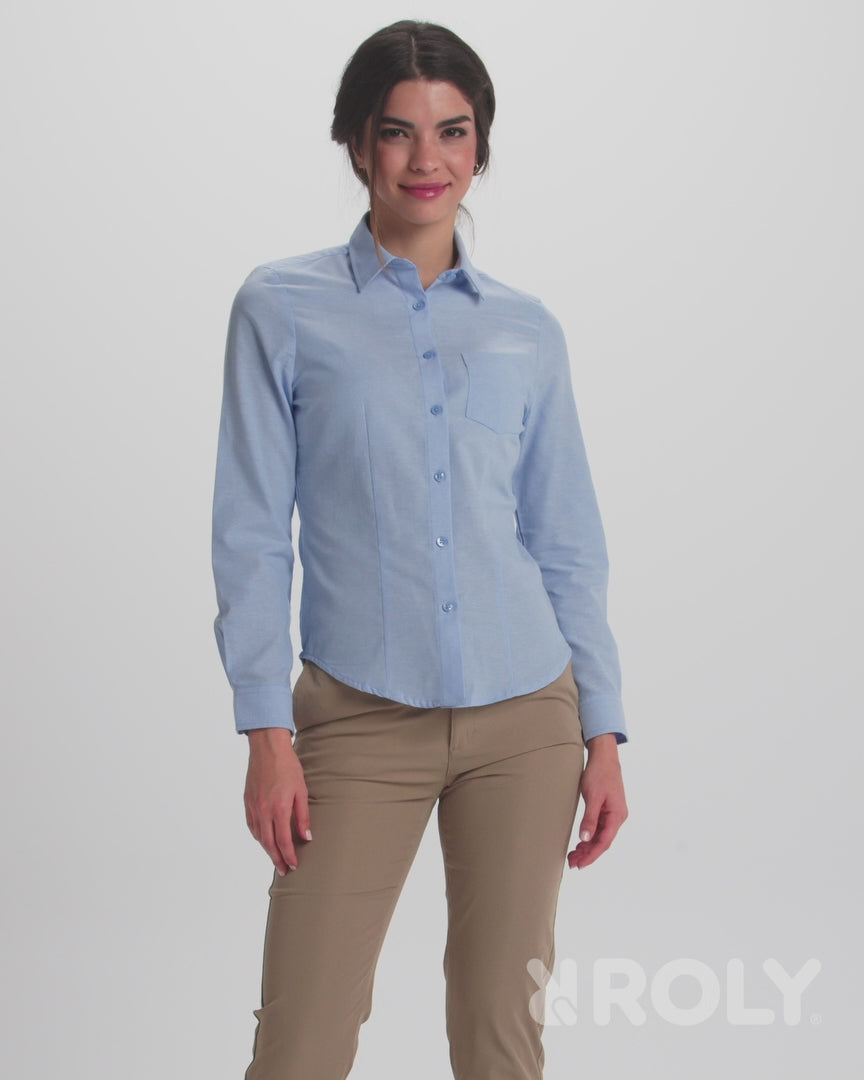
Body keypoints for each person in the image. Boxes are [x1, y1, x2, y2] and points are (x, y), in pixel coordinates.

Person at [211, 19, 629, 1080]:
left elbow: (565, 540)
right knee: (302, 1041)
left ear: (480, 146)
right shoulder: (281, 308)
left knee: (501, 1036)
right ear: (356, 144)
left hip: (528, 714)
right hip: (358, 713)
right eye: (397, 131)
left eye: (453, 131)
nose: (426, 159)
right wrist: (265, 730)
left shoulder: (527, 331)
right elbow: (251, 533)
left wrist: (604, 729)